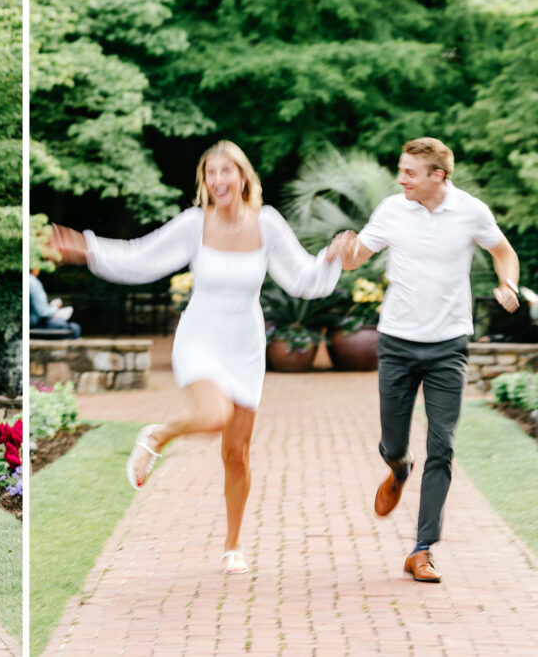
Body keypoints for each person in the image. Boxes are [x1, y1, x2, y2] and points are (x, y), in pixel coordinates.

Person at [50, 140, 346, 574]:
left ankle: (232, 545)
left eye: (227, 171)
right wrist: (90, 249)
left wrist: (332, 258)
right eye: (211, 173)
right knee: (212, 414)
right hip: (201, 337)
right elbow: (141, 258)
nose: (218, 179)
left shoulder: (267, 224)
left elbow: (302, 278)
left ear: (243, 177)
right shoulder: (195, 224)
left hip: (244, 345)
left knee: (237, 454)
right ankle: (158, 435)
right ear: (204, 181)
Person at [335, 137, 520, 584]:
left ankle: (422, 549)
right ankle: (398, 468)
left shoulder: (472, 211)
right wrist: (346, 252)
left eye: (410, 173)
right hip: (397, 342)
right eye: (401, 170)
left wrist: (508, 285)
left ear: (438, 176)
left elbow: (503, 252)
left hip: (448, 345)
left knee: (444, 445)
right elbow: (357, 258)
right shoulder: (391, 210)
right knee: (393, 442)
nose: (401, 179)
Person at [29, 268, 81, 338]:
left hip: (33, 322)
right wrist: (55, 307)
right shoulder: (32, 281)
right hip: (35, 323)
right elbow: (42, 312)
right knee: (75, 327)